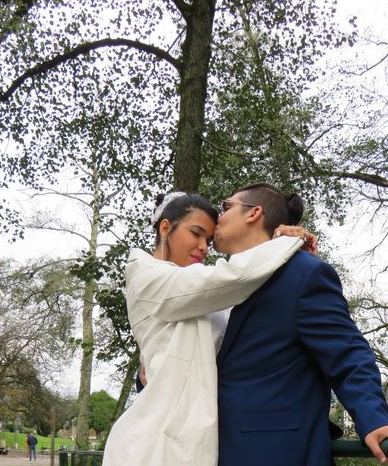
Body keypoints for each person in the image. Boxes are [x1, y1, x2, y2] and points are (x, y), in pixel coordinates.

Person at [103, 192, 314, 466]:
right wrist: (284, 242)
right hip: (151, 447)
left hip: (196, 444)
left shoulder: (202, 295)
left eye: (209, 240)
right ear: (165, 227)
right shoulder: (146, 275)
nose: (203, 246)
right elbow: (234, 277)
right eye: (196, 233)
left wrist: (278, 245)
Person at [213, 183, 388, 466]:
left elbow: (348, 353)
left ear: (254, 213)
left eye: (226, 207)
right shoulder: (213, 287)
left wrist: (373, 418)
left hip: (278, 452)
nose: (217, 216)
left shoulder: (303, 274)